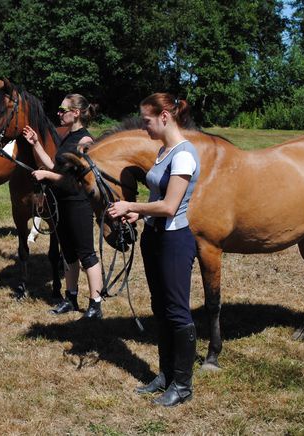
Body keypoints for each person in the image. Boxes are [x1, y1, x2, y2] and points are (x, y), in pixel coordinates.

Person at [107, 93, 200, 407]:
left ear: (164, 117)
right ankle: (165, 375)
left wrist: (130, 205)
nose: (143, 126)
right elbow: (158, 200)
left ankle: (183, 385)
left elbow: (171, 205)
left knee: (176, 310)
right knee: (160, 309)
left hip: (174, 241)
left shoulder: (184, 155)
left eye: (146, 121)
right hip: (155, 238)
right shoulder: (164, 151)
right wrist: (141, 213)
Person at [22, 94, 104, 319]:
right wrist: (36, 144)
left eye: (62, 109)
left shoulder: (84, 142)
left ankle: (95, 304)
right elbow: (53, 166)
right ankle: (70, 298)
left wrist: (46, 175)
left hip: (78, 204)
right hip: (61, 203)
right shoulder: (67, 138)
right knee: (67, 254)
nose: (58, 113)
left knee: (86, 254)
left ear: (75, 113)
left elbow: (77, 180)